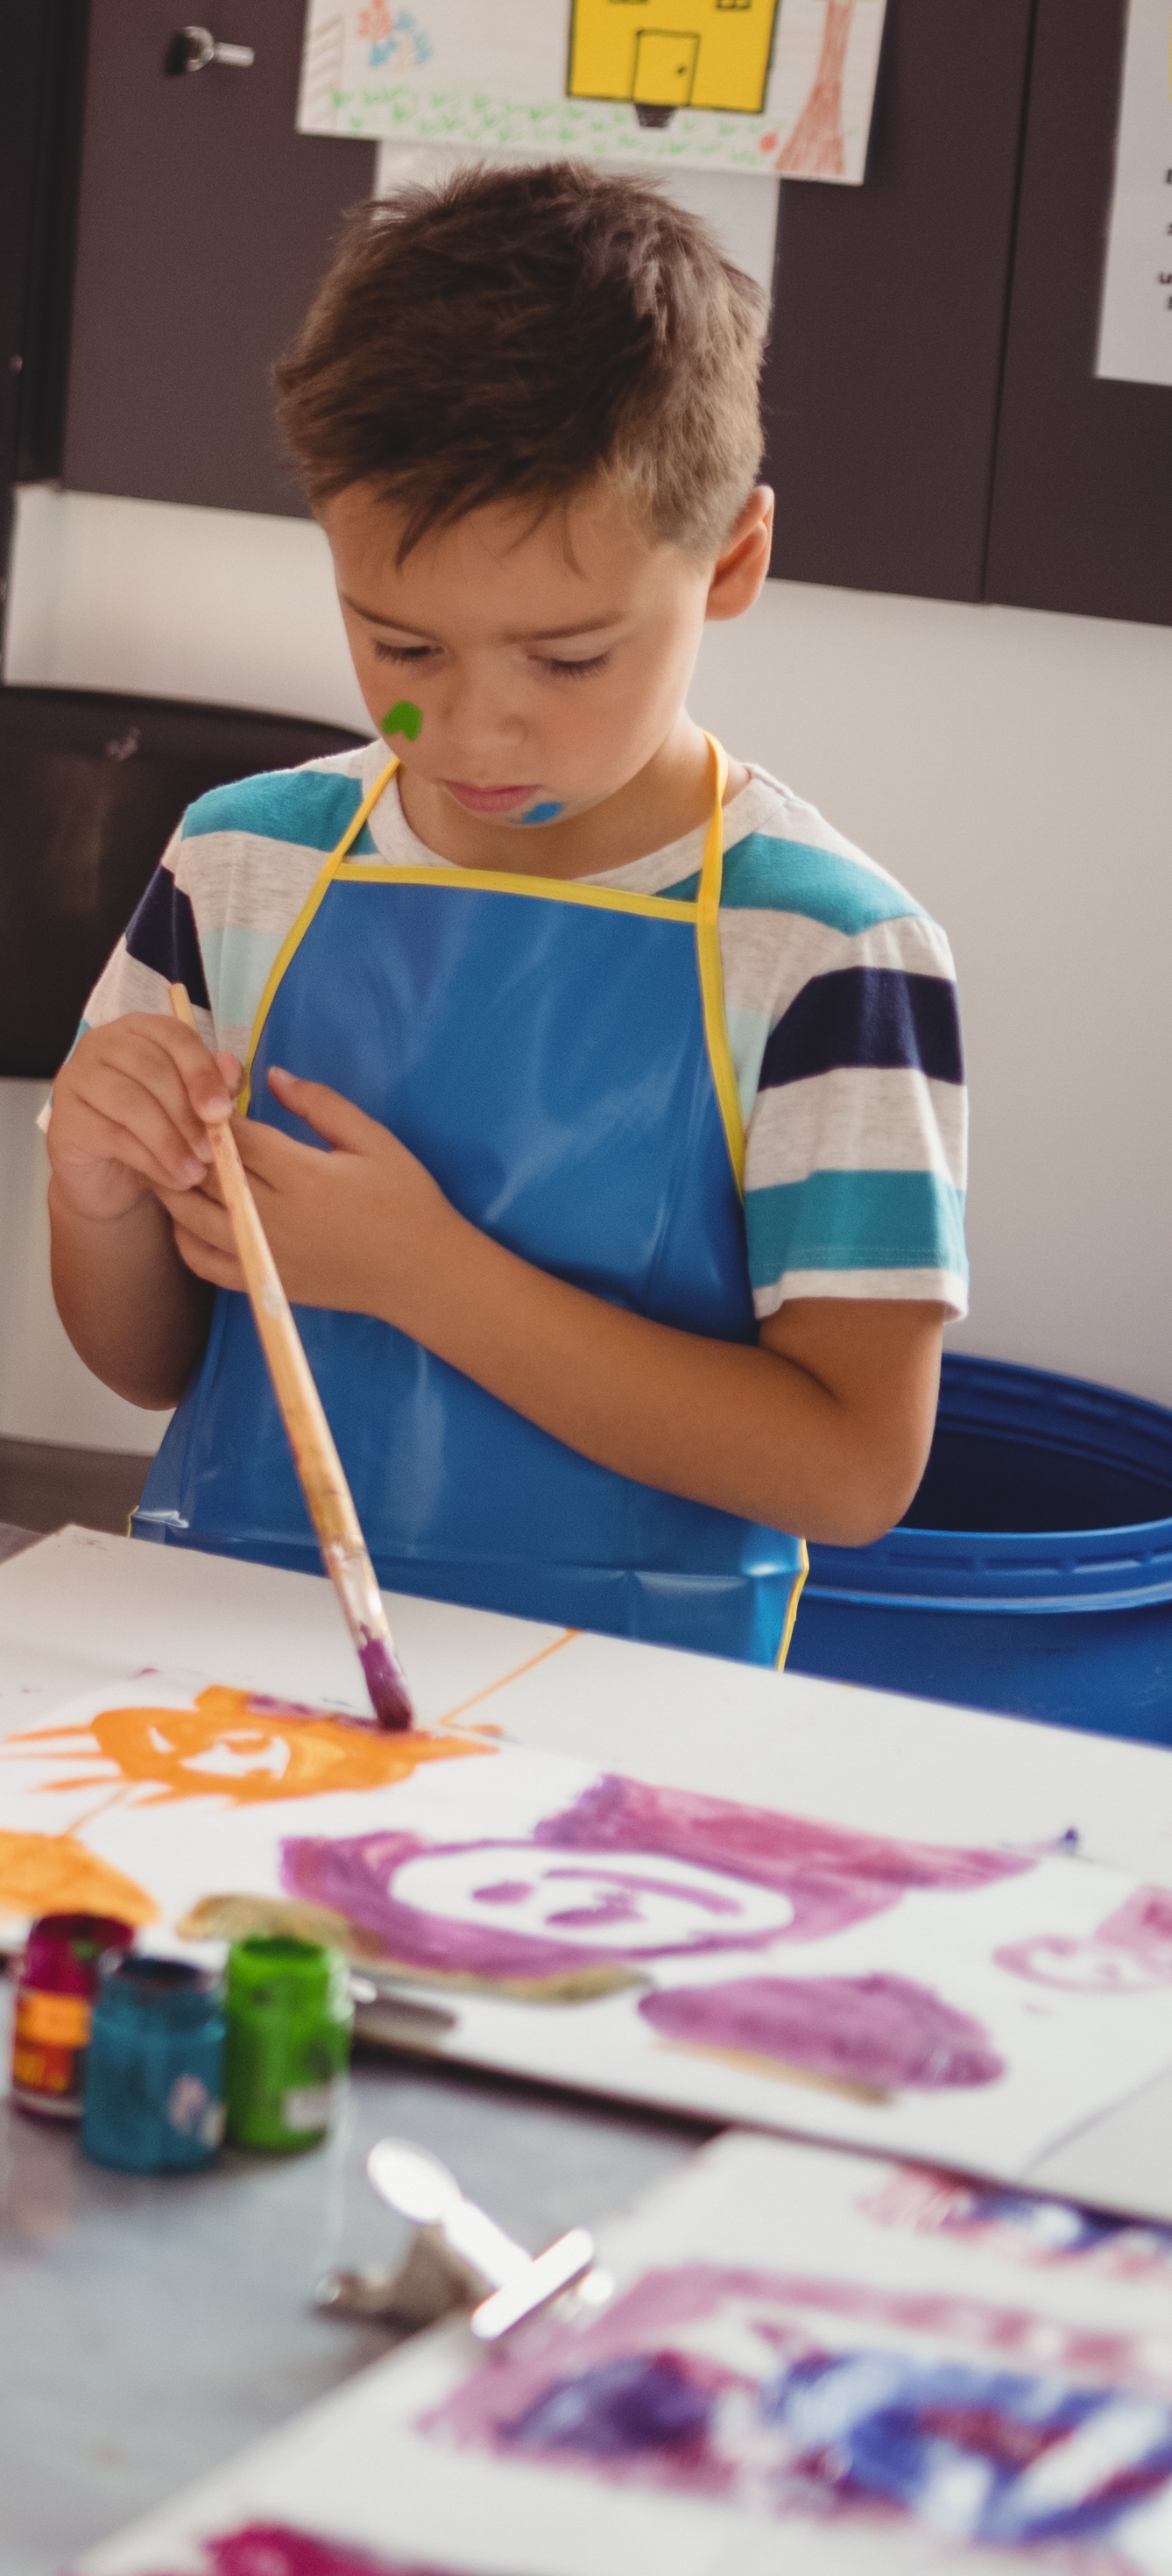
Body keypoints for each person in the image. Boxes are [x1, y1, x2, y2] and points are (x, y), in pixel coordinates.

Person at [49, 165, 957, 1660]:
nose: (474, 733)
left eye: (569, 659)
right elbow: (149, 1368)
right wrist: (96, 1188)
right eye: (400, 642)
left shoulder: (824, 957)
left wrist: (423, 1277)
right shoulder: (243, 862)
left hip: (629, 1724)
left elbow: (853, 1470)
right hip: (227, 1673)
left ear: (730, 561)